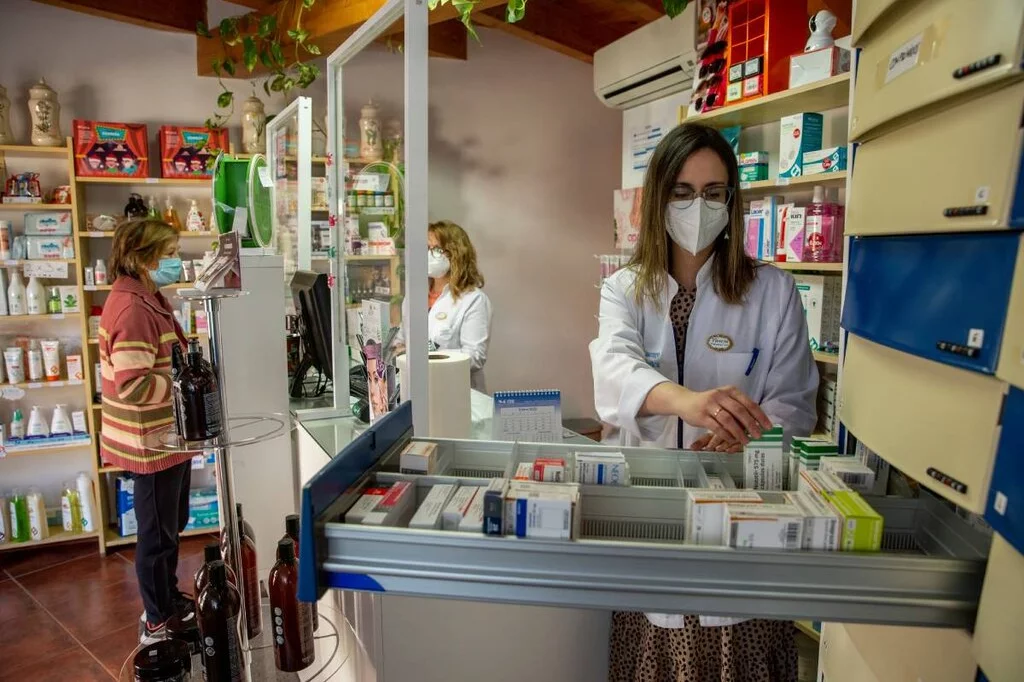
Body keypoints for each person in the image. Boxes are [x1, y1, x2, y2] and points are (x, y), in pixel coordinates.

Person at [590, 122, 818, 681]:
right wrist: (689, 404)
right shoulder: (623, 288)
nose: (700, 207)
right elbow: (615, 369)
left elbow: (795, 401)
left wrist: (749, 433)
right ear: (659, 198)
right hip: (651, 519)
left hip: (743, 520)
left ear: (732, 201)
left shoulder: (774, 290)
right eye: (683, 192)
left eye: (715, 193)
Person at [98, 218, 189, 644]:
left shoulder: (147, 295)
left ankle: (169, 598)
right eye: (168, 253)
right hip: (149, 443)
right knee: (156, 536)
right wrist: (185, 386)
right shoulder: (132, 308)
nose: (176, 261)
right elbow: (133, 385)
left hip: (167, 436)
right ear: (142, 258)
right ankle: (156, 619)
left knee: (173, 524)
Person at [424, 220, 492, 391]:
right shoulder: (415, 296)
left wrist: (428, 358)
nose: (429, 255)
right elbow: (401, 341)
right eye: (426, 248)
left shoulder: (473, 300)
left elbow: (475, 357)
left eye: (437, 249)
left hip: (457, 393)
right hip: (422, 389)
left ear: (456, 253)